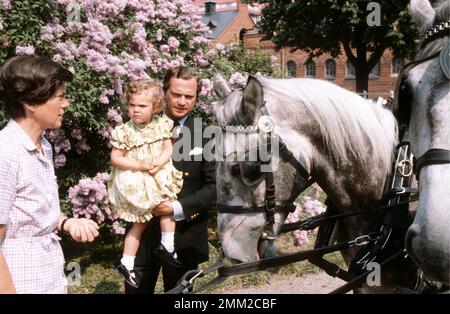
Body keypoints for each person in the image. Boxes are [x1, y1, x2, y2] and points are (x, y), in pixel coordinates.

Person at [0, 55, 99, 294]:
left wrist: (67, 222)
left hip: (49, 274)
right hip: (20, 279)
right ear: (30, 102)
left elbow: (30, 211)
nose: (66, 104)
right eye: (60, 97)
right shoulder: (6, 152)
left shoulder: (44, 145)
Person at [125, 66, 216, 293]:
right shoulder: (139, 127)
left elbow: (215, 188)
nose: (182, 101)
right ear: (164, 92)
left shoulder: (205, 134)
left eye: (189, 96)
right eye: (176, 94)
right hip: (142, 233)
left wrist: (174, 208)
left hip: (185, 235)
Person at [108, 80, 183, 288]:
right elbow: (116, 158)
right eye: (132, 105)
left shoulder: (161, 125)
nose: (135, 110)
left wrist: (159, 162)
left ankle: (167, 245)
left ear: (155, 107)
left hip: (157, 175)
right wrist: (138, 164)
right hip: (137, 179)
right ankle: (128, 260)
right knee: (139, 222)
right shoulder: (124, 131)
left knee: (168, 208)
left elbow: (168, 148)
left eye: (142, 106)